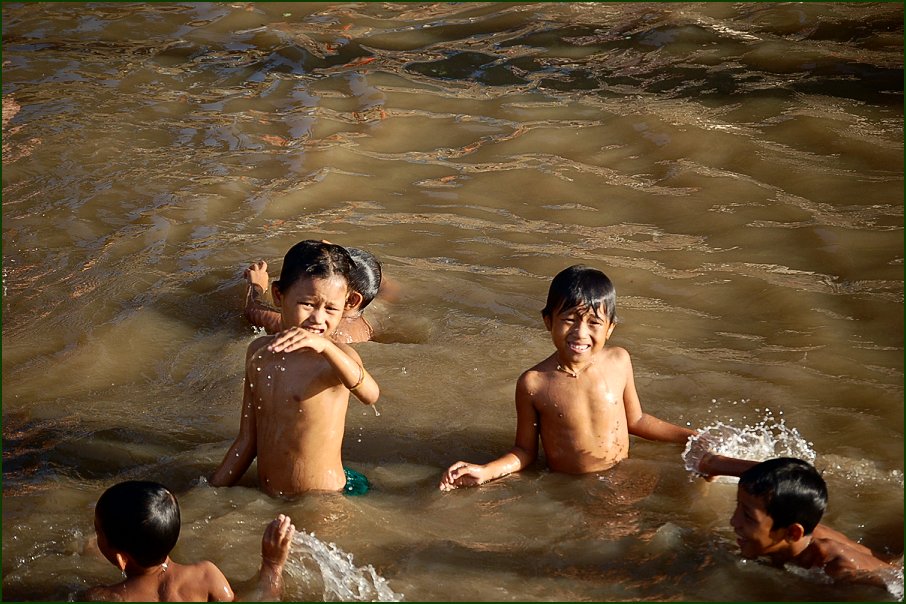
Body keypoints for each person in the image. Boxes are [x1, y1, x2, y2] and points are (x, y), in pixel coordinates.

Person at [440, 264, 695, 490]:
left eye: (594, 323)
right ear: (548, 321)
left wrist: (692, 437)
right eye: (569, 320)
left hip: (621, 476)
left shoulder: (619, 361)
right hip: (571, 490)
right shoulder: (534, 383)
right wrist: (486, 471)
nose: (580, 333)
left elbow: (636, 420)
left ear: (610, 329)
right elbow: (525, 451)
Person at [212, 240, 380, 497]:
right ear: (278, 295)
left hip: (322, 499)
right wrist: (212, 490)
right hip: (267, 494)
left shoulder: (337, 358)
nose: (318, 318)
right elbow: (247, 440)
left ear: (348, 305)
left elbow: (370, 395)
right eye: (308, 304)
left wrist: (326, 348)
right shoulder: (259, 353)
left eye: (331, 308)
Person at [693, 454, 896, 588]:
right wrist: (716, 464)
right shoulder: (782, 519)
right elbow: (780, 478)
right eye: (738, 507)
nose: (733, 521)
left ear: (792, 533)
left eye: (747, 516)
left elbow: (896, 583)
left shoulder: (836, 569)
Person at [84, 480, 295, 602]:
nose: (96, 536)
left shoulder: (105, 596)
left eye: (98, 531)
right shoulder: (206, 576)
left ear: (121, 559)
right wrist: (272, 565)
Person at [242, 245, 383, 344]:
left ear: (351, 300)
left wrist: (256, 286)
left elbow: (255, 312)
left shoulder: (317, 327)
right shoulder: (366, 324)